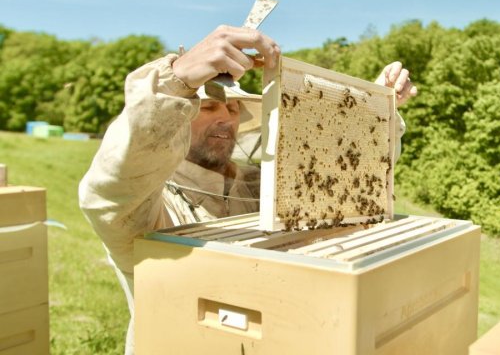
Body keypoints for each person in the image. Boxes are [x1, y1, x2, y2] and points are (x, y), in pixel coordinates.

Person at [79, 25, 417, 354]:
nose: (225, 117)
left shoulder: (263, 185)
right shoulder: (150, 205)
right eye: (208, 107)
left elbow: (342, 181)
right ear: (177, 117)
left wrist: (373, 110)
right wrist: (176, 79)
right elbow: (112, 190)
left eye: (232, 107)